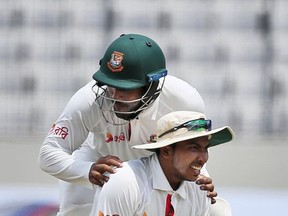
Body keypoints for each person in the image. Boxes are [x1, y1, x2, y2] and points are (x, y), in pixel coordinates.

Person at [38, 33, 217, 215]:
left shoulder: (185, 101)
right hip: (100, 162)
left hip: (156, 169)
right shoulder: (88, 100)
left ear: (151, 86)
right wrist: (87, 170)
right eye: (109, 84)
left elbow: (193, 146)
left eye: (125, 88)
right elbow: (48, 153)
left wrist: (201, 175)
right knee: (75, 206)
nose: (114, 96)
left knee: (216, 210)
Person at [89, 111, 235, 216]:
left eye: (205, 148)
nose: (203, 158)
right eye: (193, 148)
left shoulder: (199, 190)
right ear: (166, 151)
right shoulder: (125, 182)